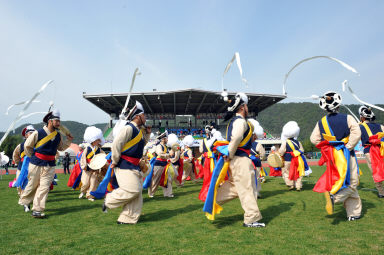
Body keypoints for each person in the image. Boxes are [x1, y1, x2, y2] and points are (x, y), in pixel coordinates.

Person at [310, 91, 362, 221]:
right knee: (353, 182)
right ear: (338, 104)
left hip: (332, 156)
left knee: (344, 182)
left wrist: (328, 147)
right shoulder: (347, 118)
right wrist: (348, 145)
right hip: (345, 154)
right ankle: (334, 197)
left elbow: (314, 139)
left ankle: (353, 214)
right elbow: (357, 132)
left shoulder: (321, 122)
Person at [216, 92, 265, 228]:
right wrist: (230, 154)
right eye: (247, 106)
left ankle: (212, 201)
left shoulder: (237, 121)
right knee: (248, 189)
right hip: (240, 159)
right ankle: (251, 219)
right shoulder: (240, 121)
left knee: (235, 187)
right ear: (243, 107)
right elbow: (236, 138)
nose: (248, 108)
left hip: (237, 160)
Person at [103, 101, 151, 224]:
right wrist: (114, 160)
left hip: (134, 165)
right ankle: (109, 200)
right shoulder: (128, 128)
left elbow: (141, 145)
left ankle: (127, 218)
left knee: (137, 194)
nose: (145, 118)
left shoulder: (138, 131)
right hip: (125, 165)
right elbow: (116, 144)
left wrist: (147, 134)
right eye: (143, 115)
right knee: (133, 189)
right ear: (137, 116)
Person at [19, 109, 73, 218]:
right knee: (32, 185)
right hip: (36, 163)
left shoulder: (58, 135)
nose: (59, 123)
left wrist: (69, 141)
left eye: (59, 121)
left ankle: (37, 210)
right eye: (56, 121)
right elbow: (27, 146)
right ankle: (25, 201)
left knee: (44, 187)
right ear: (50, 121)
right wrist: (32, 157)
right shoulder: (38, 133)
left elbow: (61, 147)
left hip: (50, 165)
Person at [358, 105, 384, 198]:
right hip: (381, 150)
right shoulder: (380, 126)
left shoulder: (360, 127)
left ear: (362, 117)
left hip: (370, 151)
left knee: (375, 171)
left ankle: (381, 192)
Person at [79, 126, 105, 201]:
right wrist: (85, 166)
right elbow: (83, 158)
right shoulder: (87, 148)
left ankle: (90, 196)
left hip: (95, 168)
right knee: (85, 183)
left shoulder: (99, 149)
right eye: (97, 140)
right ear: (93, 140)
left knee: (93, 183)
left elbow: (103, 156)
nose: (98, 141)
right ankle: (83, 191)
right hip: (87, 168)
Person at [279, 121, 307, 191]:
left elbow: (281, 151)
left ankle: (291, 184)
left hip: (288, 159)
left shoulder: (285, 142)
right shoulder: (298, 142)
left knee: (287, 172)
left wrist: (281, 155)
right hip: (298, 159)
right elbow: (302, 151)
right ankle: (298, 186)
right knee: (298, 172)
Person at [148, 131, 173, 197]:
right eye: (166, 138)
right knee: (155, 180)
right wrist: (169, 155)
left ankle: (168, 194)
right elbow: (160, 154)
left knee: (168, 179)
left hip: (165, 164)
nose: (167, 140)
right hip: (158, 165)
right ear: (163, 139)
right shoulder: (159, 146)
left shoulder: (166, 146)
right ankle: (151, 193)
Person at [12, 125, 36, 196]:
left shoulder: (37, 145)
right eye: (30, 133)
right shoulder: (21, 146)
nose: (32, 135)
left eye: (33, 133)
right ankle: (22, 196)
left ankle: (27, 199)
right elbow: (15, 155)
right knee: (20, 185)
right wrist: (20, 163)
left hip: (33, 168)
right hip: (21, 168)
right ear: (26, 135)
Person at [248, 119, 266, 197]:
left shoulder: (244, 144)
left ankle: (249, 193)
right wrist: (261, 158)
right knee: (257, 178)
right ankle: (257, 193)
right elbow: (263, 154)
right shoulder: (257, 144)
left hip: (247, 163)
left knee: (248, 178)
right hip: (256, 162)